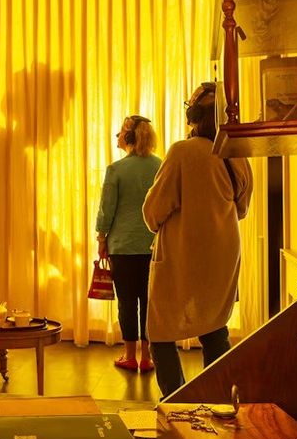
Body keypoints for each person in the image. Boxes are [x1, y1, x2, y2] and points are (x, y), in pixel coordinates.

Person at [142, 82, 252, 397]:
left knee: (161, 333)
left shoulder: (182, 152)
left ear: (193, 116)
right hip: (223, 255)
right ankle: (217, 398)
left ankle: (175, 401)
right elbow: (242, 208)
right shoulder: (236, 153)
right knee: (214, 329)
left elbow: (153, 212)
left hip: (181, 256)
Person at [95, 114, 162, 372]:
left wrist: (101, 238)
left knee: (126, 302)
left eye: (120, 132)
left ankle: (130, 355)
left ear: (129, 137)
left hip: (122, 246)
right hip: (154, 245)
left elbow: (107, 209)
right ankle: (147, 357)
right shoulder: (160, 166)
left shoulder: (116, 169)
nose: (117, 136)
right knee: (149, 302)